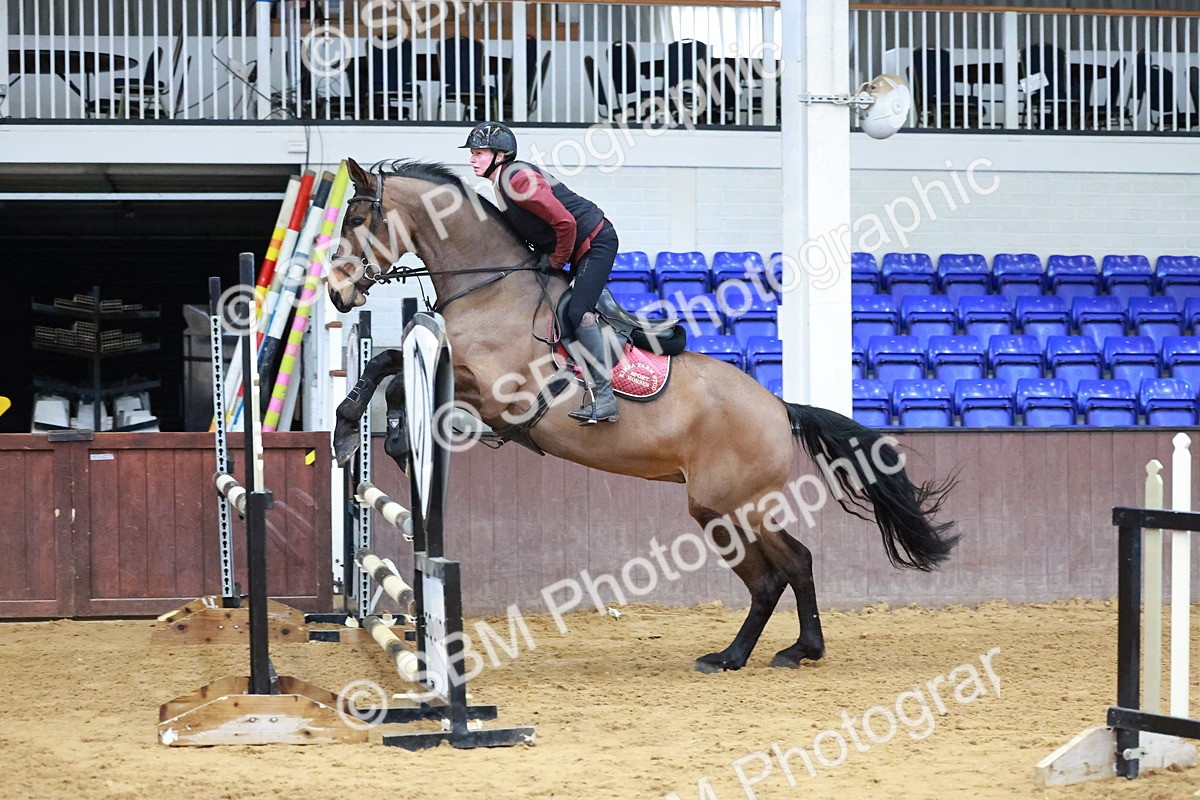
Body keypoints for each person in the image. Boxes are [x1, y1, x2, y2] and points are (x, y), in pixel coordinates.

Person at [461, 121, 620, 425]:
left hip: (596, 242)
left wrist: (556, 261)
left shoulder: (518, 180)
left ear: (500, 155)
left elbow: (566, 223)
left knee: (579, 312)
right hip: (575, 246)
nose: (472, 159)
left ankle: (605, 398)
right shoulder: (501, 183)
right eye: (472, 153)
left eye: (479, 153)